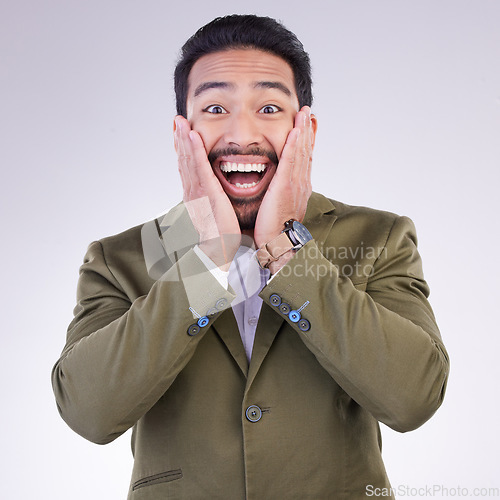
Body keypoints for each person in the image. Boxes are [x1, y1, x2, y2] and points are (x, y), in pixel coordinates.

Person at [52, 14, 449, 499]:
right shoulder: (120, 259)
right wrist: (209, 260)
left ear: (305, 128)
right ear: (183, 131)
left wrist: (287, 248)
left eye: (268, 108)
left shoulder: (379, 237)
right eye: (216, 107)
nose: (243, 134)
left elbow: (414, 398)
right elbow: (89, 412)